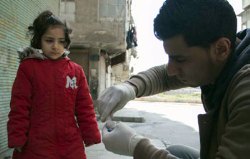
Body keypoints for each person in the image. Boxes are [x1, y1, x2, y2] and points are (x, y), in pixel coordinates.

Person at [97, 0, 250, 158]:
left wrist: (137, 147)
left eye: (180, 59)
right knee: (176, 152)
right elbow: (163, 76)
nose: (171, 70)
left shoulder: (246, 88)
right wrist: (129, 88)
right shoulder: (222, 61)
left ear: (221, 49)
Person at [7, 10, 101, 159]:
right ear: (39, 40)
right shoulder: (28, 68)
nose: (56, 46)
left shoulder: (76, 71)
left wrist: (91, 135)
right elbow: (19, 106)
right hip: (36, 146)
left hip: (71, 146)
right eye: (49, 40)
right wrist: (17, 138)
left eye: (61, 41)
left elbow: (85, 107)